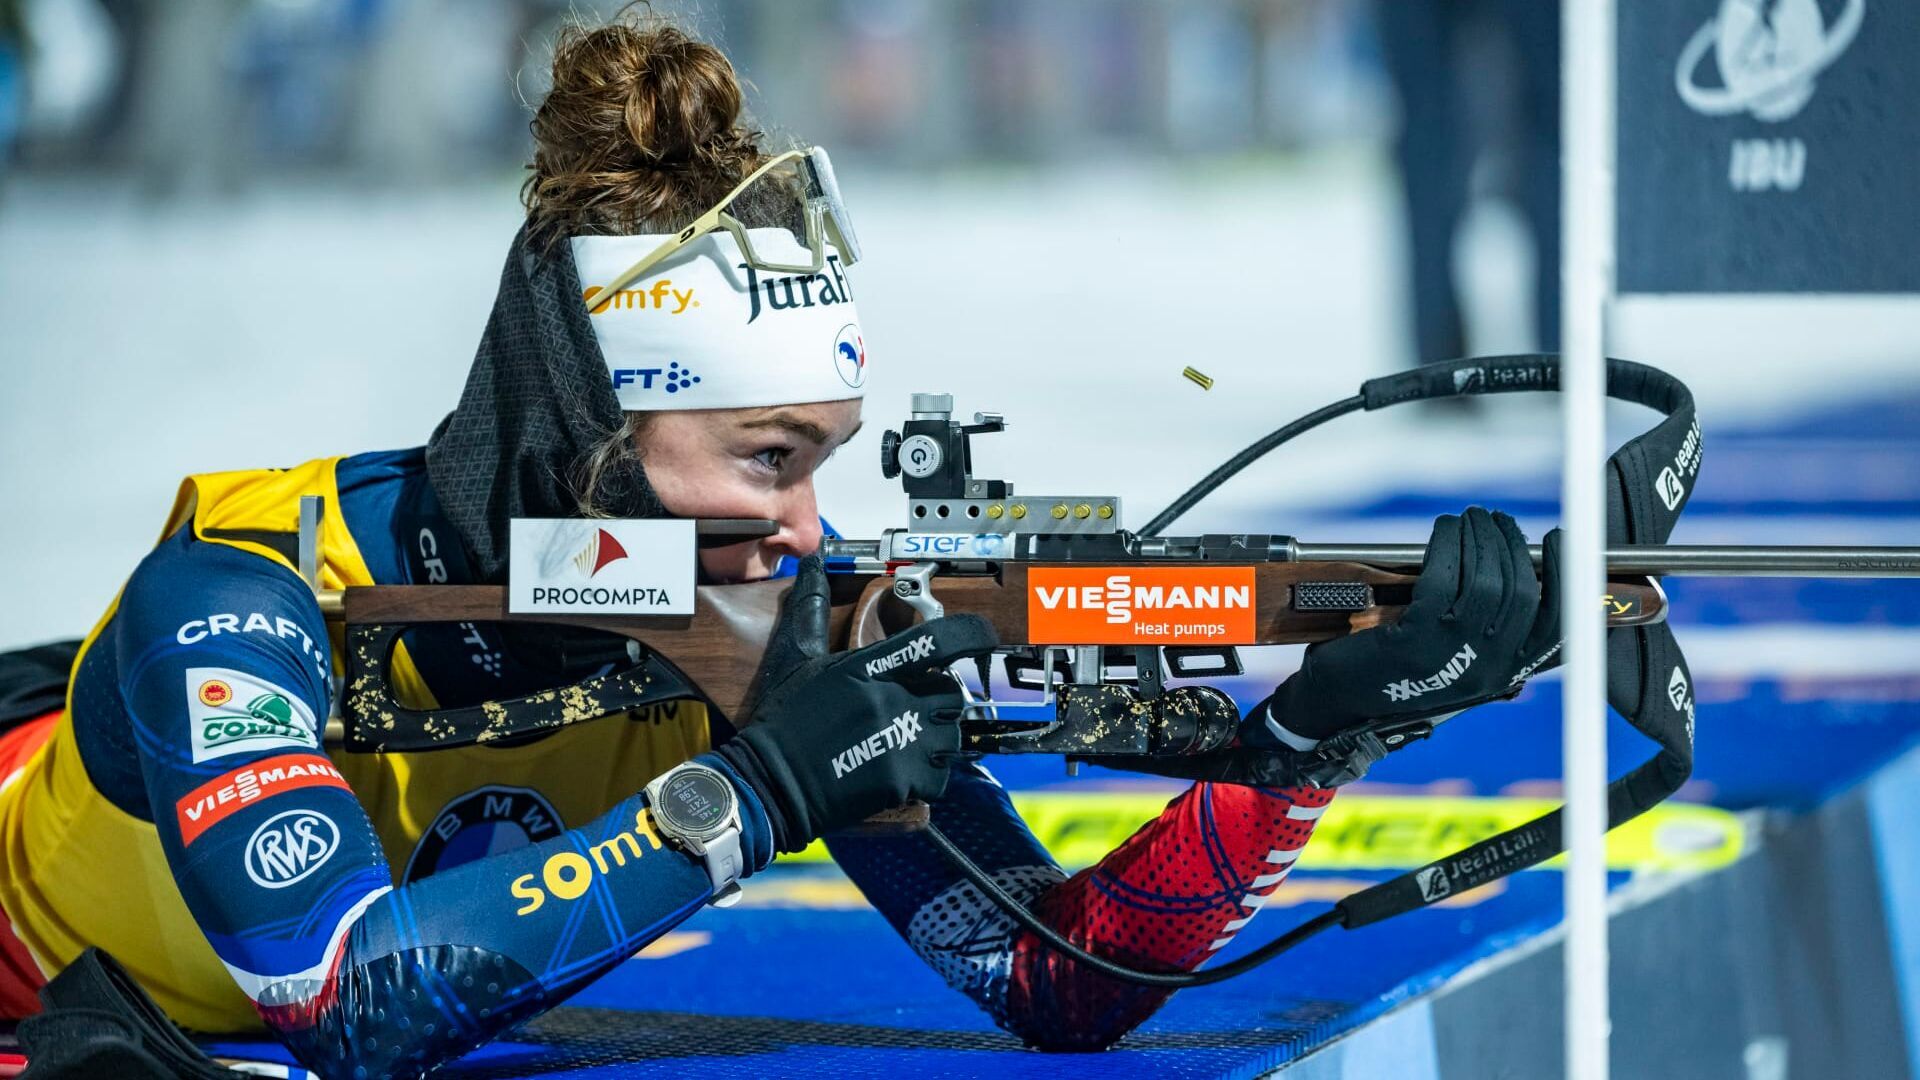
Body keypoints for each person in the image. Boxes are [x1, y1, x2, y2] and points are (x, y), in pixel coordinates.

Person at [0, 11, 1563, 1078]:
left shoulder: (747, 625)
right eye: (766, 458)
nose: (808, 527)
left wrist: (1302, 745)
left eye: (821, 462)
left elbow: (1058, 979)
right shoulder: (239, 596)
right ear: (590, 433)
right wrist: (755, 798)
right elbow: (351, 1001)